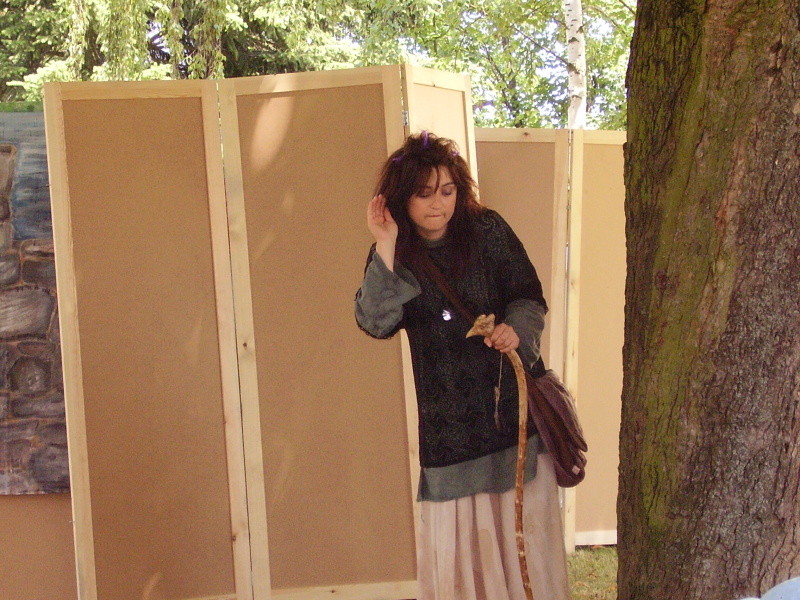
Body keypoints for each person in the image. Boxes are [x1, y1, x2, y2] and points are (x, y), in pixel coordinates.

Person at [354, 131, 570, 600]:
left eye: (448, 191)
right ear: (402, 197)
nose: (439, 204)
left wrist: (516, 330)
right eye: (425, 194)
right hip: (449, 428)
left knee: (523, 544)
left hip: (510, 415)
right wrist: (385, 243)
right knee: (463, 555)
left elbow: (528, 297)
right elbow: (375, 322)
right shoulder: (395, 252)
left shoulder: (487, 229)